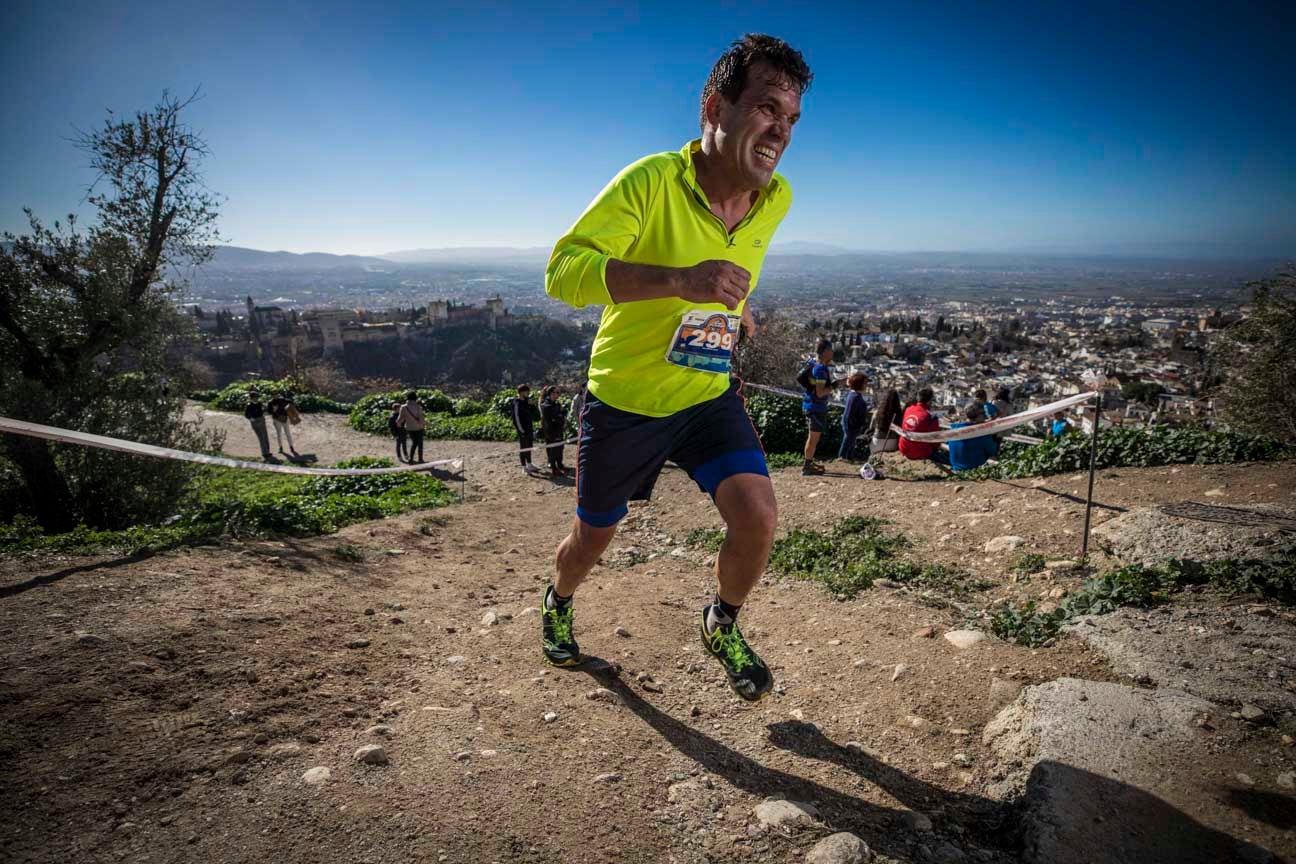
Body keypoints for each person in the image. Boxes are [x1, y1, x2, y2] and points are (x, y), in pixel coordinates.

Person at [540, 33, 812, 702]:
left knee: (758, 516)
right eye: (767, 108)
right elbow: (563, 272)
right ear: (714, 106)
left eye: (793, 119)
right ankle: (557, 599)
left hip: (706, 392)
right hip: (627, 399)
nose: (780, 130)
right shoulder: (650, 181)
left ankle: (721, 622)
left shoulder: (775, 198)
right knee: (591, 540)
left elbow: (730, 269)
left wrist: (734, 310)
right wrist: (677, 280)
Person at [800, 339, 834, 475]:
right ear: (825, 352)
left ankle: (809, 462)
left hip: (810, 404)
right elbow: (820, 392)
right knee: (813, 438)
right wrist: (835, 386)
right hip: (816, 408)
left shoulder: (812, 363)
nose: (832, 353)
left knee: (812, 437)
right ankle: (807, 466)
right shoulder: (820, 369)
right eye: (831, 350)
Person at [898, 387, 949, 467]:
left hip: (904, 448)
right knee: (947, 460)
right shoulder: (931, 417)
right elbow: (936, 441)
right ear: (930, 401)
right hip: (920, 452)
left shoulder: (908, 409)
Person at [948, 401, 999, 472]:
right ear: (977, 416)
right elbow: (992, 451)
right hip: (974, 470)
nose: (985, 416)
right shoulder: (980, 433)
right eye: (983, 413)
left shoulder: (954, 429)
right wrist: (994, 435)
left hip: (956, 469)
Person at [863, 388, 902, 479]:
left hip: (876, 444)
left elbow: (871, 428)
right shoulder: (899, 415)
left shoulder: (878, 413)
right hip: (893, 444)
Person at [838, 372, 870, 461]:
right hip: (851, 425)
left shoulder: (853, 395)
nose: (866, 385)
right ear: (860, 384)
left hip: (851, 424)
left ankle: (848, 457)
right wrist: (854, 425)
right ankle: (842, 458)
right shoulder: (855, 397)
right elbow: (850, 413)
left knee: (850, 442)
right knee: (847, 442)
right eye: (865, 383)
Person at [539, 385, 569, 476]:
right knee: (553, 450)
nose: (556, 394)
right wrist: (560, 415)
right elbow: (553, 418)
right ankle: (554, 468)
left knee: (560, 448)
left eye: (558, 392)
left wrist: (561, 415)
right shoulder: (546, 405)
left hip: (559, 429)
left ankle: (560, 465)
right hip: (551, 431)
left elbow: (560, 415)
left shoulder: (556, 404)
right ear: (549, 394)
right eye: (554, 392)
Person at [511, 384, 540, 475]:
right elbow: (516, 418)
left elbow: (535, 414)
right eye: (527, 391)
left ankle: (529, 464)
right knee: (523, 448)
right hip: (522, 429)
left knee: (529, 446)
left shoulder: (527, 401)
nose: (528, 393)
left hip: (529, 428)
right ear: (522, 392)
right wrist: (521, 430)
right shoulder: (516, 402)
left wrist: (532, 405)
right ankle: (523, 467)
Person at [266, 391, 299, 457]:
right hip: (276, 419)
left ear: (278, 394)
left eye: (276, 394)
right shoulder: (270, 402)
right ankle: (280, 447)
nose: (275, 396)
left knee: (288, 433)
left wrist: (290, 409)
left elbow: (291, 402)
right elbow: (269, 411)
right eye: (274, 395)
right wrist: (274, 410)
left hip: (285, 419)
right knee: (279, 434)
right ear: (272, 395)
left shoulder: (282, 399)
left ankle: (291, 446)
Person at [244, 390, 273, 460]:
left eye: (257, 397)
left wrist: (265, 409)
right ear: (251, 398)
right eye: (255, 397)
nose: (256, 398)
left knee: (265, 436)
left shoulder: (259, 403)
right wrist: (251, 419)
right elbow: (246, 415)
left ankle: (267, 451)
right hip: (255, 422)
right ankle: (265, 453)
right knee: (261, 437)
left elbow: (263, 410)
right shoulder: (249, 405)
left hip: (262, 420)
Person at [398, 392, 425, 463]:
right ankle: (420, 459)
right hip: (418, 428)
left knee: (414, 443)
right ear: (415, 398)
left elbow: (400, 419)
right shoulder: (418, 407)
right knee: (420, 444)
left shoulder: (403, 407)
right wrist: (426, 424)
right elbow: (421, 419)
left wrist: (399, 424)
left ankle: (411, 459)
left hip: (409, 428)